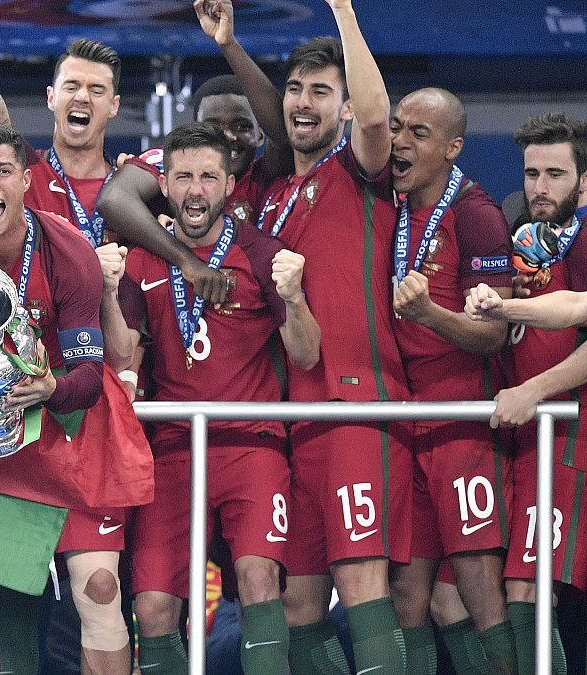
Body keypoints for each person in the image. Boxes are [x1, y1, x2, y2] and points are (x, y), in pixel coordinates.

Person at [0, 123, 153, 675]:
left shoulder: (68, 252)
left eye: (3, 171)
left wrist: (52, 388)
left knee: (101, 589)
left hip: (70, 428)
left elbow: (90, 375)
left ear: (24, 180)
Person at [239, 3, 412, 673]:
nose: (303, 103)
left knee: (364, 588)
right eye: (295, 89)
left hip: (356, 410)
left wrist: (343, 10)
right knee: (300, 605)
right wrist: (228, 44)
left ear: (341, 108)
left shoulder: (357, 172)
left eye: (320, 91)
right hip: (295, 420)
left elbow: (374, 118)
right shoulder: (278, 192)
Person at [122, 121, 320, 674]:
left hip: (250, 447)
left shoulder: (263, 253)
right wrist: (109, 292)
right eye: (183, 176)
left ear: (230, 185)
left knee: (260, 581)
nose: (195, 190)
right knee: (154, 605)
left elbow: (304, 355)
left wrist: (295, 299)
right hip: (172, 450)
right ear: (164, 184)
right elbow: (123, 357)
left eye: (208, 176)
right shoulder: (142, 259)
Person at [0, 0, 228, 303]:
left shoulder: (138, 186)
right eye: (71, 86)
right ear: (51, 97)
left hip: (126, 344)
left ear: (114, 105)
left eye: (96, 90)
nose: (82, 97)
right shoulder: (22, 170)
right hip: (43, 343)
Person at [383, 88, 516, 675]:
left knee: (477, 586)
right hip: (399, 419)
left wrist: (429, 316)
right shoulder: (392, 204)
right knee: (411, 596)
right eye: (396, 128)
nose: (399, 142)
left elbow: (495, 336)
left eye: (418, 133)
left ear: (453, 147)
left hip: (461, 419)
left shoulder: (478, 215)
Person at [464, 112, 587, 675]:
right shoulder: (516, 236)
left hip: (568, 439)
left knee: (528, 589)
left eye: (556, 174)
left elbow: (578, 315)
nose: (540, 187)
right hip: (518, 437)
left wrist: (533, 389)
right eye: (532, 172)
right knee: (477, 590)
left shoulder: (585, 243)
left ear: (583, 183)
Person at [98, 0, 291, 257]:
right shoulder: (169, 162)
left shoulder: (267, 174)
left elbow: (283, 135)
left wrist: (228, 44)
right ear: (194, 128)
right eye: (213, 126)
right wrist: (187, 262)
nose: (227, 136)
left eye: (242, 126)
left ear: (261, 134)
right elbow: (113, 199)